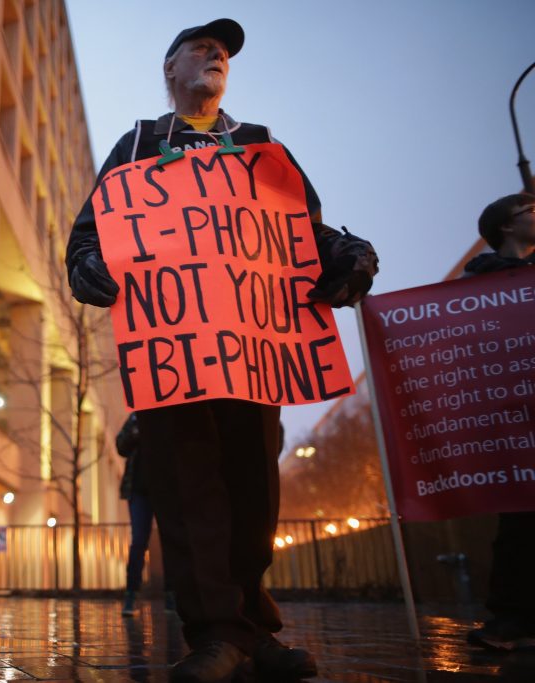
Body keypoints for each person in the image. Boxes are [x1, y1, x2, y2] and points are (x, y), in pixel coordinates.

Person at [66, 19, 377, 682]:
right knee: (188, 492)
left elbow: (304, 230)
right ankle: (216, 633)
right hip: (174, 352)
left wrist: (346, 255)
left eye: (224, 51)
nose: (217, 55)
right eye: (201, 47)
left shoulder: (262, 147)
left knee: (254, 492)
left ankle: (249, 629)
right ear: (170, 70)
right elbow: (89, 232)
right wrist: (89, 264)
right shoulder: (138, 145)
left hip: (256, 347)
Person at [463, 192, 535, 651]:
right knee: (522, 515)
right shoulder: (480, 284)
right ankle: (510, 618)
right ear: (508, 227)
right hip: (514, 413)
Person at [116, 413, 174, 617]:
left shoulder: (169, 416)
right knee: (139, 541)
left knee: (170, 540)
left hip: (166, 489)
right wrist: (134, 433)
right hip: (138, 490)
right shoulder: (135, 418)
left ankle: (171, 596)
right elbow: (120, 446)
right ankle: (131, 595)